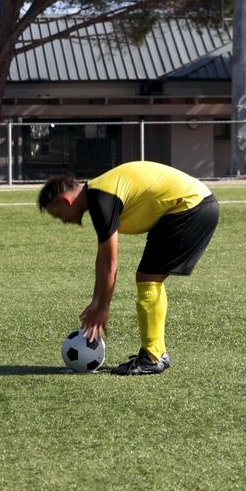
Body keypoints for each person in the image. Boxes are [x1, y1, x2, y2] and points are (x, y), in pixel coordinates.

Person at [37, 161, 219, 376]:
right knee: (149, 278)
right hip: (187, 205)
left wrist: (103, 309)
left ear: (64, 200)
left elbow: (111, 262)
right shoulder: (98, 192)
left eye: (58, 215)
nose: (63, 221)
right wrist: (96, 301)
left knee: (148, 278)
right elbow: (103, 256)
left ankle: (152, 357)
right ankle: (156, 352)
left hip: (190, 206)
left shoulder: (100, 198)